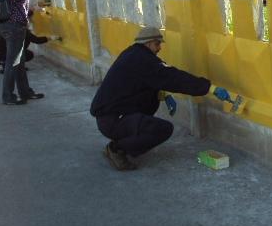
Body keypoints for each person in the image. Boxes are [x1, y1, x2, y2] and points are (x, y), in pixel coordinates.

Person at [90, 26, 233, 171]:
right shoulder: (143, 61)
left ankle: (124, 138)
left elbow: (144, 83)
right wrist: (211, 88)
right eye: (157, 44)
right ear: (148, 43)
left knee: (150, 103)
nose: (159, 48)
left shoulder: (133, 54)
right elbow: (174, 77)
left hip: (110, 116)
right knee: (163, 129)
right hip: (113, 120)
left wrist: (164, 95)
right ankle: (116, 149)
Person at [0, 0, 51, 105]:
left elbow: (17, 5)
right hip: (15, 27)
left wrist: (33, 8)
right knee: (12, 62)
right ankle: (7, 96)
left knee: (19, 61)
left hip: (6, 24)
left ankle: (25, 92)